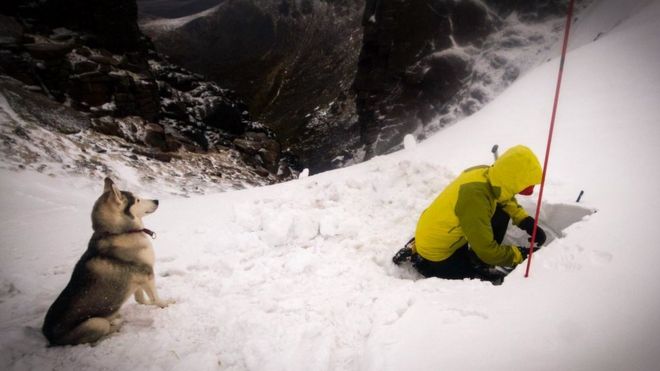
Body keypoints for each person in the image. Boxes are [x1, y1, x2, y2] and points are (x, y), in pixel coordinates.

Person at [393, 145, 547, 284]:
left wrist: (525, 220)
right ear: (514, 180)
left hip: (435, 226)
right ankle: (420, 259)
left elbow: (503, 197)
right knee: (477, 280)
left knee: (501, 213)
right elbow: (487, 250)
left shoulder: (486, 173)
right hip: (437, 253)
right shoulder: (476, 199)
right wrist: (520, 255)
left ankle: (473, 257)